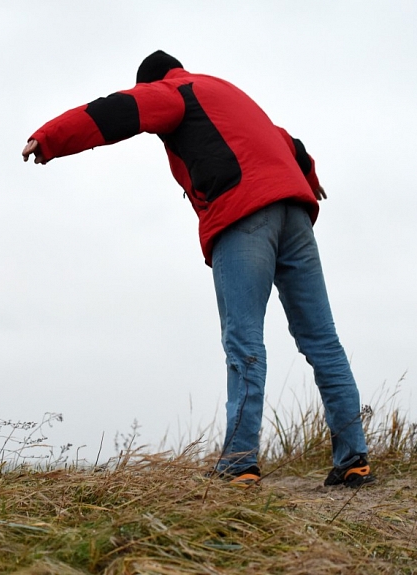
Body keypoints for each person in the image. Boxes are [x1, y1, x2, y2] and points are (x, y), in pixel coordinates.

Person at [22, 50, 373, 488]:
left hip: (244, 215)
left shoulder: (171, 93)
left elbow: (117, 110)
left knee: (243, 341)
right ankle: (353, 457)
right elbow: (286, 140)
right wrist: (310, 176)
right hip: (295, 214)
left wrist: (49, 139)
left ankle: (240, 463)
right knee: (323, 340)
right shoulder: (223, 90)